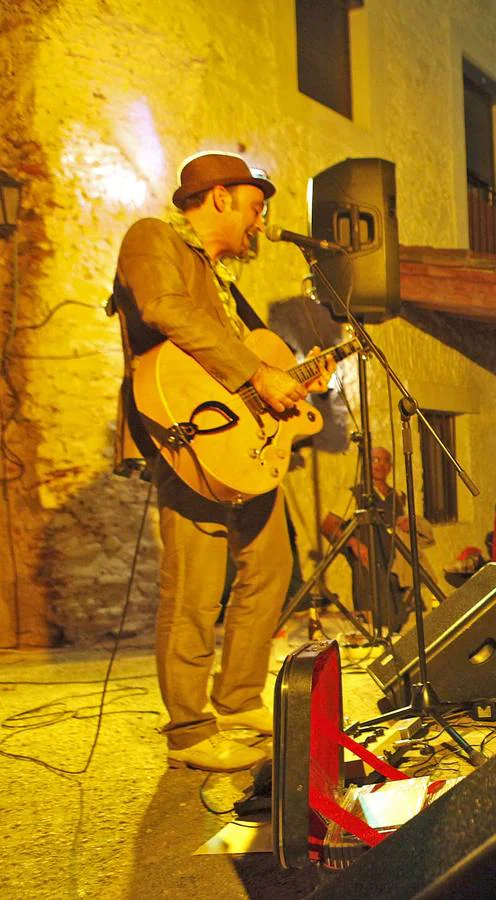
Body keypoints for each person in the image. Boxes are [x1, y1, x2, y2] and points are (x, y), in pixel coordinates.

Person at [110, 152, 335, 772]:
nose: (260, 224)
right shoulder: (152, 238)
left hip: (238, 447)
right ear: (219, 199)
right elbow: (164, 310)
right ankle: (188, 729)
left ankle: (236, 699)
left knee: (271, 563)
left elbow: (260, 366)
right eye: (256, 208)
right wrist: (257, 373)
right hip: (187, 436)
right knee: (196, 581)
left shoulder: (222, 281)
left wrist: (298, 376)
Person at [320, 446, 434, 630]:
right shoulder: (354, 494)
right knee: (374, 624)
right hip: (369, 570)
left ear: (390, 466)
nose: (380, 465)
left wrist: (409, 524)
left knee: (402, 623)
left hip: (396, 570)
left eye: (385, 460)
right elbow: (328, 525)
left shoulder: (398, 496)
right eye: (375, 460)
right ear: (366, 464)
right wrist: (352, 543)